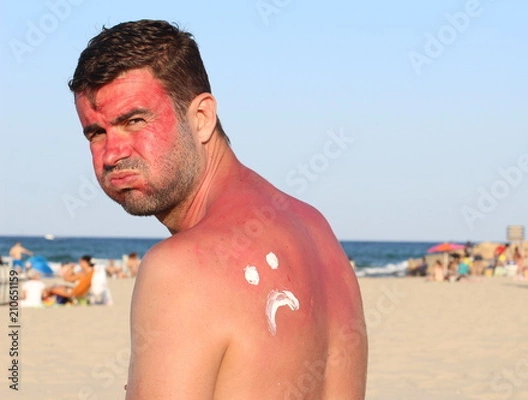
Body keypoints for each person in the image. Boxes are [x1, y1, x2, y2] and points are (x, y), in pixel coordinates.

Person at [69, 20, 367, 399]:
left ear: (202, 118)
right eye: (96, 133)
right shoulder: (316, 230)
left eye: (135, 121)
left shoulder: (181, 267)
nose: (112, 153)